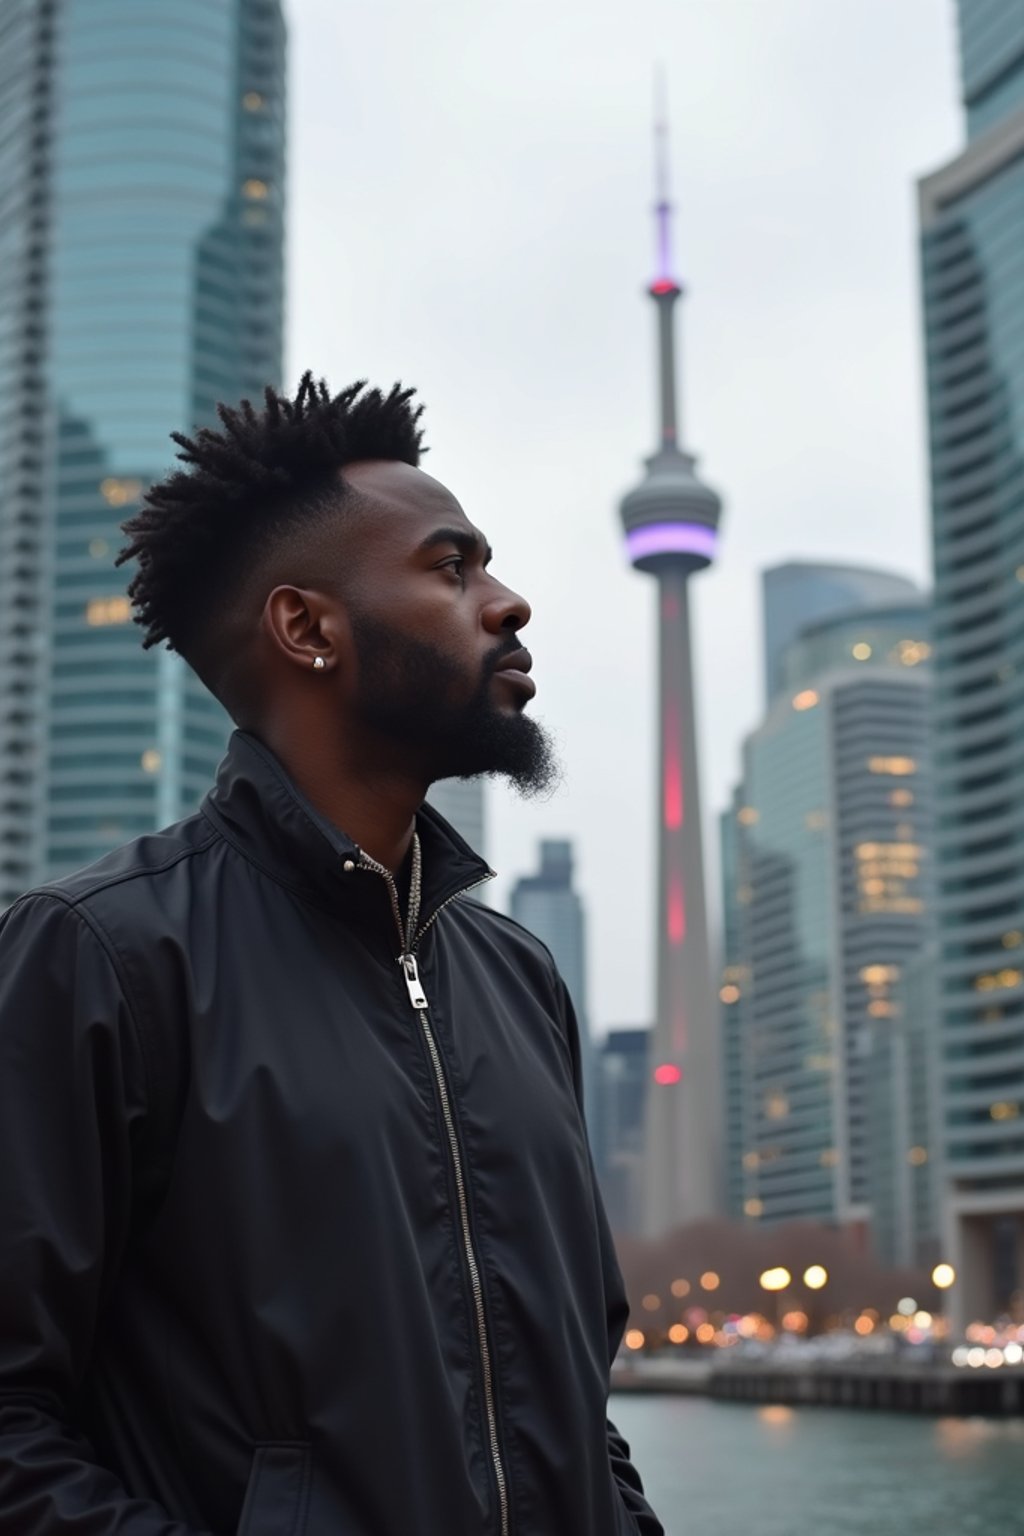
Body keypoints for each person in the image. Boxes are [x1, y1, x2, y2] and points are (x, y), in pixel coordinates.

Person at [0, 376, 663, 1536]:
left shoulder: (519, 978)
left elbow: (575, 1400)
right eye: (450, 568)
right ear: (307, 628)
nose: (506, 603)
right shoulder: (101, 954)